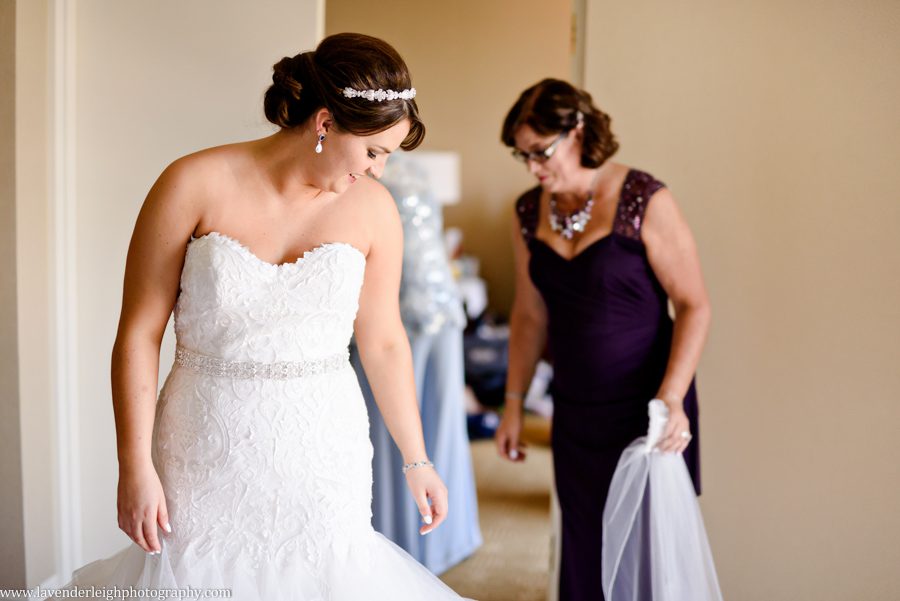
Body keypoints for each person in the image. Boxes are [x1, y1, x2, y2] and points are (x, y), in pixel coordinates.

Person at [57, 33, 470, 600]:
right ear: (325, 122)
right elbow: (138, 332)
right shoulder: (192, 182)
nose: (377, 170)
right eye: (373, 152)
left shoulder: (375, 210)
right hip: (201, 446)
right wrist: (133, 463)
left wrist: (417, 458)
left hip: (324, 448)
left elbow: (385, 342)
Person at [494, 78, 711, 601]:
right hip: (575, 412)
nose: (532, 168)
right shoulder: (528, 213)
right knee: (586, 545)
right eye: (520, 156)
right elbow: (528, 316)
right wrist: (513, 402)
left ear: (578, 131)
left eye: (540, 152)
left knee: (648, 552)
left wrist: (673, 400)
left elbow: (693, 304)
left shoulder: (644, 198)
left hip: (650, 409)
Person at [351, 155, 482, 574]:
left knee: (431, 422)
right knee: (386, 424)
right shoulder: (354, 171)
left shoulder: (383, 173)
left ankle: (434, 531)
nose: (381, 157)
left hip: (423, 316)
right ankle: (397, 531)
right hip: (400, 313)